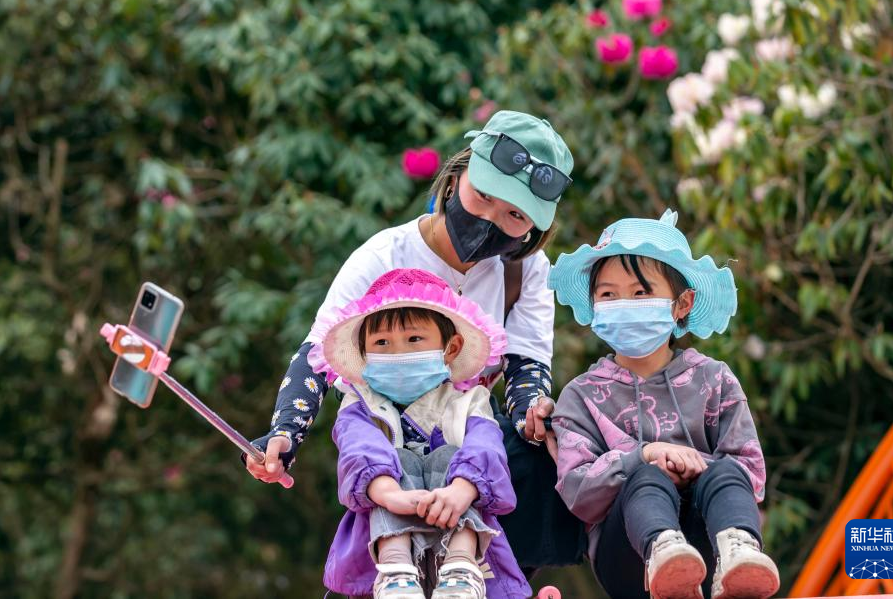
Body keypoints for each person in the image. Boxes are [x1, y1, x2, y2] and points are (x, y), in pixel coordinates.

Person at [246, 110, 586, 571]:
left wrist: (535, 414)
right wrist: (286, 432)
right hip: (386, 434)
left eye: (514, 215)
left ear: (532, 229)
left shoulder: (525, 271)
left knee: (532, 456)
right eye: (483, 195)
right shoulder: (384, 254)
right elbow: (317, 352)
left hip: (469, 433)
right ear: (455, 178)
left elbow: (527, 367)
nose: (487, 218)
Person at [548, 210, 780, 599]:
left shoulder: (714, 379)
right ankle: (665, 554)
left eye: (640, 293)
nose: (624, 303)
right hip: (628, 561)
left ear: (682, 303)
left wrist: (693, 467)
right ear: (593, 304)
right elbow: (576, 490)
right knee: (647, 475)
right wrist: (645, 456)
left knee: (726, 472)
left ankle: (739, 555)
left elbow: (750, 470)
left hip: (708, 542)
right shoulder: (580, 396)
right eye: (608, 294)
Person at [312, 268, 529, 598]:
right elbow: (359, 447)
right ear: (364, 353)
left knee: (452, 457)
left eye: (414, 339)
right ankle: (394, 569)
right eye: (381, 343)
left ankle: (461, 566)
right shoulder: (359, 405)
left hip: (455, 514)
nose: (398, 352)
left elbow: (486, 446)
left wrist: (462, 489)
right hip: (384, 529)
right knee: (395, 460)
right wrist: (389, 494)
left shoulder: (471, 400)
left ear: (451, 348)